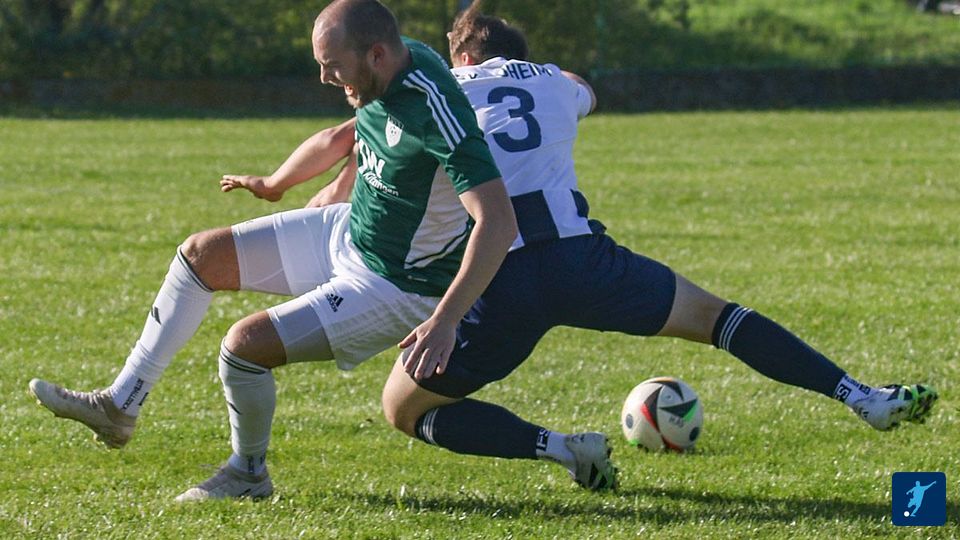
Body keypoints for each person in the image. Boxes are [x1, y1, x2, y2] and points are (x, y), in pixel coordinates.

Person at [232, 1, 938, 492]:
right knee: (718, 318)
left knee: (403, 410)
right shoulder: (554, 82)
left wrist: (316, 193)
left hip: (496, 281)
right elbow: (582, 89)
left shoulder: (431, 87)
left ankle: (563, 449)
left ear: (462, 56)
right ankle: (860, 395)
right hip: (581, 259)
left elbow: (356, 141)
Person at [28, 0, 518, 501]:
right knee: (200, 256)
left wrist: (446, 320)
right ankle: (118, 407)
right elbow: (344, 136)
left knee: (243, 348)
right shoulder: (386, 65)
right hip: (351, 231)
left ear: (375, 54)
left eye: (332, 66)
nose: (324, 78)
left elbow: (498, 222)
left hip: (398, 284)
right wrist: (276, 182)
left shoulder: (435, 109)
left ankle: (248, 475)